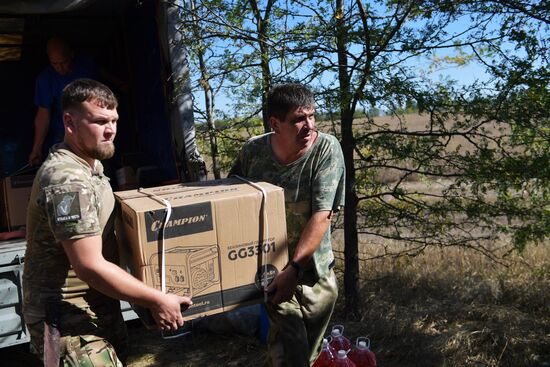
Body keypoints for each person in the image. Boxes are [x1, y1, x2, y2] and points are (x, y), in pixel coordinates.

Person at [23, 78, 192, 366]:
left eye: (114, 120)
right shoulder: (67, 179)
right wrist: (155, 299)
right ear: (70, 122)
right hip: (68, 319)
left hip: (99, 306)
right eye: (100, 121)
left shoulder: (92, 169)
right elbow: (88, 264)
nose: (111, 130)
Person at [229, 83, 345, 366]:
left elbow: (322, 215)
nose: (309, 126)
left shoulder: (325, 149)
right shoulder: (254, 152)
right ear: (275, 123)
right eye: (298, 119)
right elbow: (231, 198)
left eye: (312, 116)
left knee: (306, 354)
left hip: (314, 274)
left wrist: (295, 268)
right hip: (272, 273)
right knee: (288, 351)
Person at [28, 37, 99, 166]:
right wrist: (36, 149)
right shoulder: (45, 80)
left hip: (91, 128)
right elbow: (43, 114)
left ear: (71, 55)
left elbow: (100, 74)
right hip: (63, 134)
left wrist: (120, 83)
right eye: (54, 63)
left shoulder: (86, 65)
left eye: (63, 62)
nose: (59, 68)